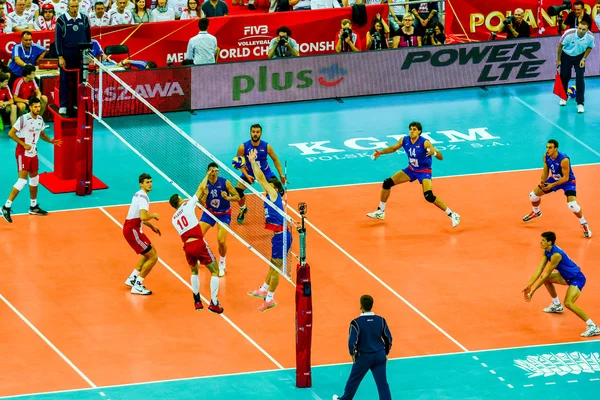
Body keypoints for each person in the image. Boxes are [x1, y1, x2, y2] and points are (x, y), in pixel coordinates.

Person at [367, 121, 460, 228]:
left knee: (428, 196)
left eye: (414, 129)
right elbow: (393, 148)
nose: (412, 131)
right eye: (410, 129)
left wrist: (434, 153)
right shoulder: (404, 140)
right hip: (411, 170)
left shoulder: (425, 143)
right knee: (387, 183)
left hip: (424, 171)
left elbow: (440, 156)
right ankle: (380, 211)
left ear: (419, 131)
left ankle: (453, 215)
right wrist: (381, 153)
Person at [523, 232, 600, 338]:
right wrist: (529, 285)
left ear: (549, 242)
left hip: (576, 278)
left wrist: (533, 291)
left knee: (568, 303)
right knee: (545, 279)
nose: (540, 242)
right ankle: (556, 305)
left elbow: (546, 273)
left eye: (543, 241)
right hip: (565, 276)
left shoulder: (556, 255)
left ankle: (593, 326)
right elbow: (540, 269)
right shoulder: (547, 251)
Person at [1, 97, 62, 224]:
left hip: (33, 152)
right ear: (30, 107)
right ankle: (6, 207)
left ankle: (33, 206)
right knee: (22, 181)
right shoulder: (23, 119)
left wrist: (50, 140)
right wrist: (23, 145)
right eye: (35, 107)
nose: (38, 109)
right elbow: (11, 133)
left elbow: (41, 134)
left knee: (35, 179)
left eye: (39, 106)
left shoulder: (40, 119)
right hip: (22, 152)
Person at [169, 176, 224, 314]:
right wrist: (207, 175)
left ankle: (197, 301)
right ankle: (214, 303)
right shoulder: (187, 206)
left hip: (187, 247)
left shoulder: (174, 219)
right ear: (180, 201)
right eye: (181, 198)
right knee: (215, 271)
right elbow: (200, 190)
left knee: (194, 271)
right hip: (198, 244)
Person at [246, 148, 292, 312]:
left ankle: (270, 299)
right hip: (278, 236)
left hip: (282, 237)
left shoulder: (273, 194)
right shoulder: (270, 196)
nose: (267, 185)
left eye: (270, 184)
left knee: (275, 269)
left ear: (275, 188)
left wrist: (252, 162)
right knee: (272, 265)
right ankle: (264, 289)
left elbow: (260, 178)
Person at [522, 139, 591, 238]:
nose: (547, 149)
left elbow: (565, 178)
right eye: (546, 147)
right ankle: (536, 212)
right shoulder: (546, 156)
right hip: (554, 179)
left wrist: (551, 185)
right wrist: (542, 182)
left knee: (572, 205)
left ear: (556, 149)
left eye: (550, 148)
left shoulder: (564, 159)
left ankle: (583, 223)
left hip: (568, 182)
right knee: (533, 195)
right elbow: (545, 171)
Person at [333, 295, 393, 400]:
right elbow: (388, 338)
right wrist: (385, 353)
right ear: (372, 305)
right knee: (382, 385)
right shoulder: (381, 320)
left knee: (353, 381)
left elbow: (352, 342)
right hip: (379, 355)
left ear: (361, 306)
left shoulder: (356, 323)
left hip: (364, 357)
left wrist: (352, 354)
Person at [234, 123, 286, 224]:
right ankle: (243, 208)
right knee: (237, 193)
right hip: (249, 172)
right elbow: (237, 162)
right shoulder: (243, 147)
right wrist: (246, 174)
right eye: (253, 132)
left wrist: (281, 174)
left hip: (265, 172)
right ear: (250, 133)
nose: (255, 134)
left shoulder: (267, 146)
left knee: (279, 192)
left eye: (257, 132)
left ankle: (271, 211)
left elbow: (275, 159)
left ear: (261, 133)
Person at [199, 162, 239, 277]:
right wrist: (205, 195)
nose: (213, 173)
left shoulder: (225, 182)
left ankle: (222, 262)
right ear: (207, 172)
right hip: (209, 212)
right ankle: (205, 252)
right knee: (197, 236)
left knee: (221, 241)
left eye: (215, 170)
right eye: (211, 170)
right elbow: (201, 203)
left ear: (218, 171)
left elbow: (237, 196)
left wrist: (228, 197)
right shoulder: (204, 184)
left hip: (224, 214)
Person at [123, 173, 161, 295]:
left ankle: (132, 278)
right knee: (153, 257)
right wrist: (154, 215)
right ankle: (138, 285)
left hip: (133, 229)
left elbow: (140, 217)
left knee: (149, 253)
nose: (150, 184)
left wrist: (152, 226)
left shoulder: (137, 194)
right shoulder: (143, 197)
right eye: (147, 182)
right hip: (133, 231)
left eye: (150, 181)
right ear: (141, 184)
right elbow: (144, 216)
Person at [55, 0, 92, 115]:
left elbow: (88, 38)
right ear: (68, 7)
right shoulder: (61, 20)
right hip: (67, 54)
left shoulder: (84, 19)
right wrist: (60, 56)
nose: (75, 9)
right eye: (72, 6)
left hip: (80, 55)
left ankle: (77, 104)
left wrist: (88, 54)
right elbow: (57, 40)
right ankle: (63, 105)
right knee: (64, 80)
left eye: (76, 6)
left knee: (79, 81)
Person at [557, 20, 594, 113]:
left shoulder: (590, 36)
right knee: (564, 77)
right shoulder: (568, 34)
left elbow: (590, 47)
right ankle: (563, 97)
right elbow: (560, 46)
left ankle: (580, 103)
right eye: (580, 28)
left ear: (587, 29)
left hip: (579, 56)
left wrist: (584, 59)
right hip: (566, 55)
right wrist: (558, 60)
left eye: (583, 29)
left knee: (580, 78)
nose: (581, 31)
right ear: (577, 27)